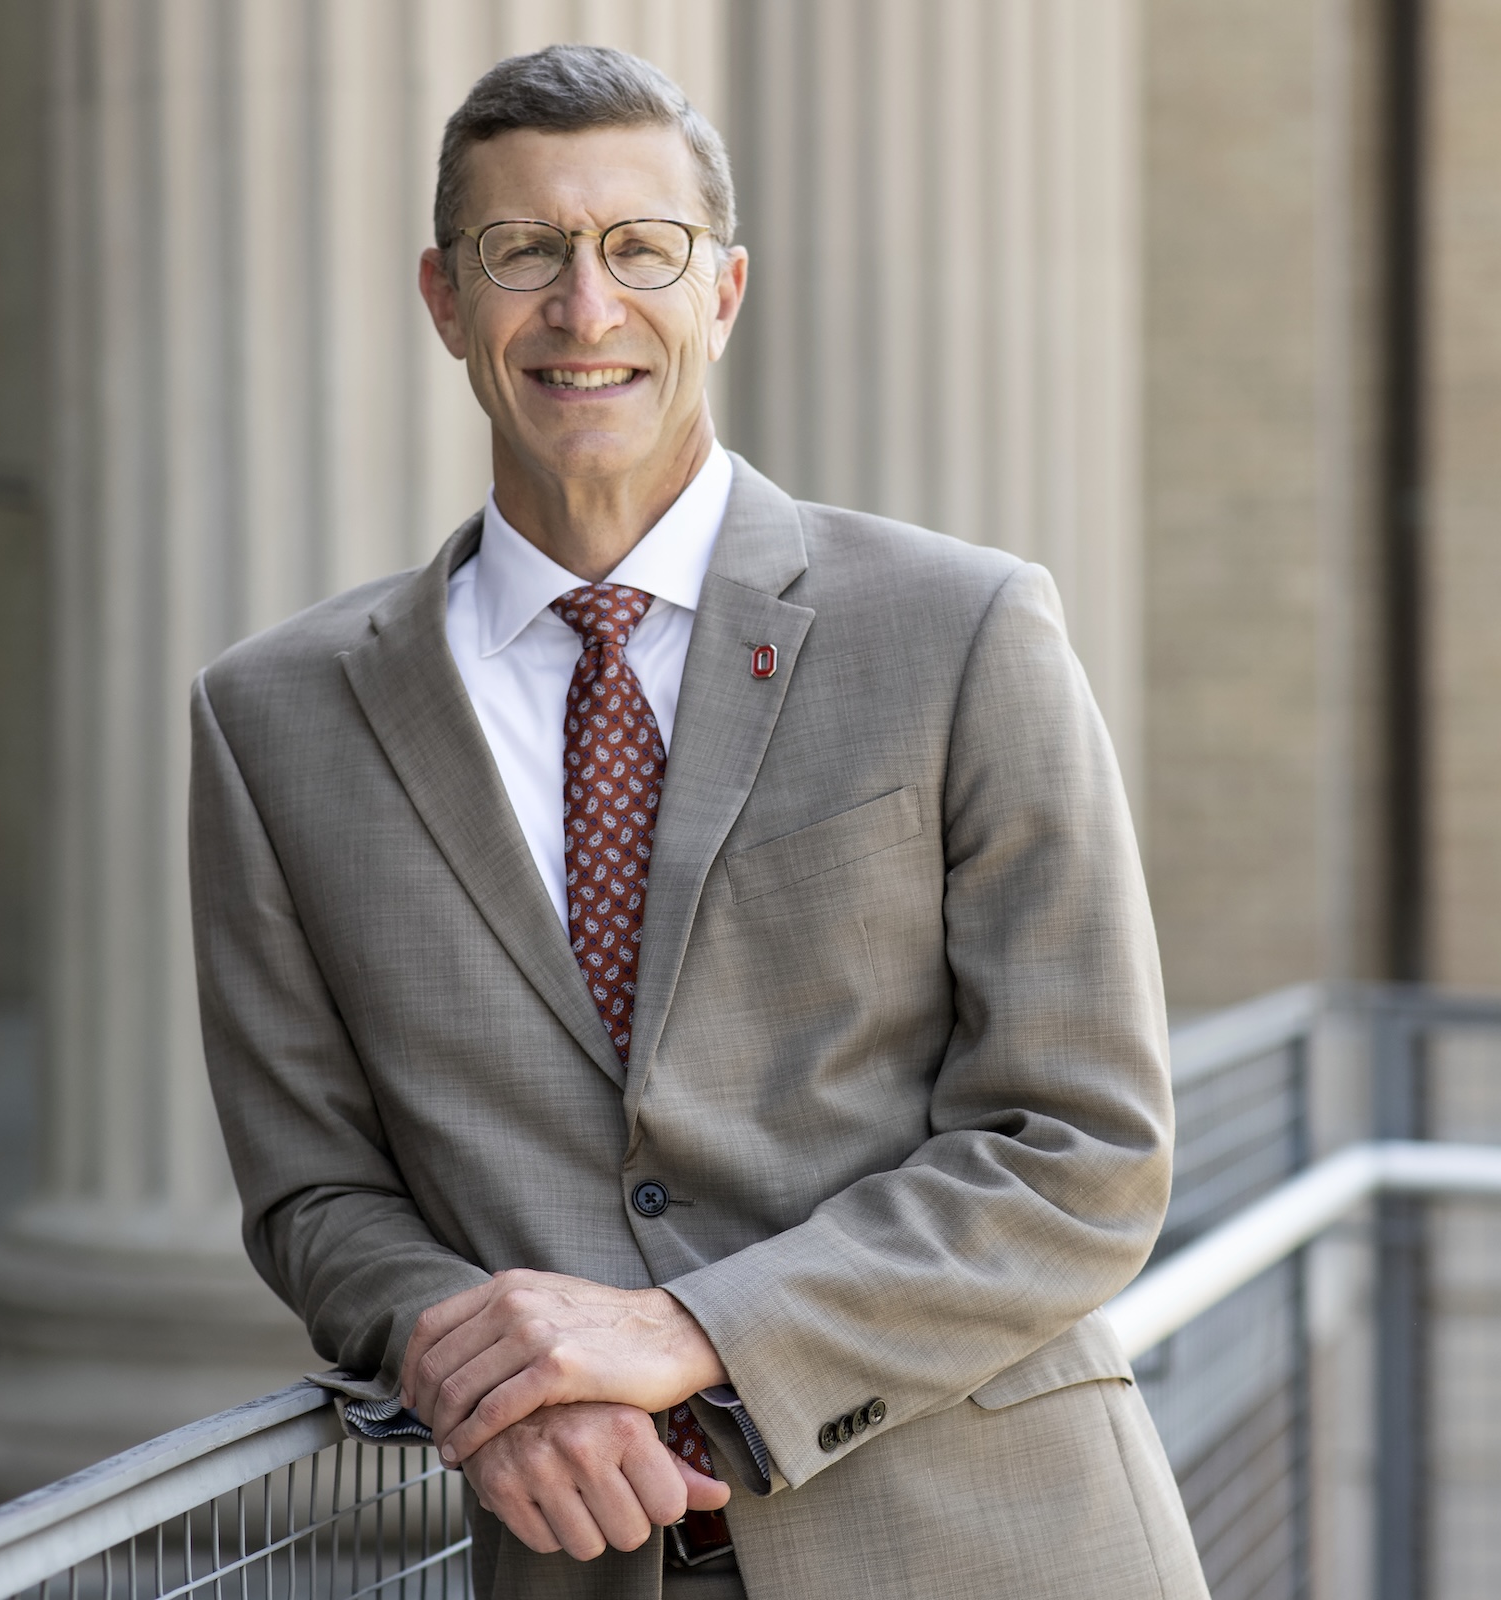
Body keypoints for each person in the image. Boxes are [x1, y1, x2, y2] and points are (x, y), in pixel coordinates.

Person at [189, 43, 1207, 1600]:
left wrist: (688, 1333)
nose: (583, 311)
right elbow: (317, 1196)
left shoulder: (958, 630)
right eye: (521, 252)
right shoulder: (275, 721)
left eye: (637, 251)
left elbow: (1085, 1147)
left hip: (992, 1540)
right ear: (444, 300)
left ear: (721, 291)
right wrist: (467, 1363)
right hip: (579, 1552)